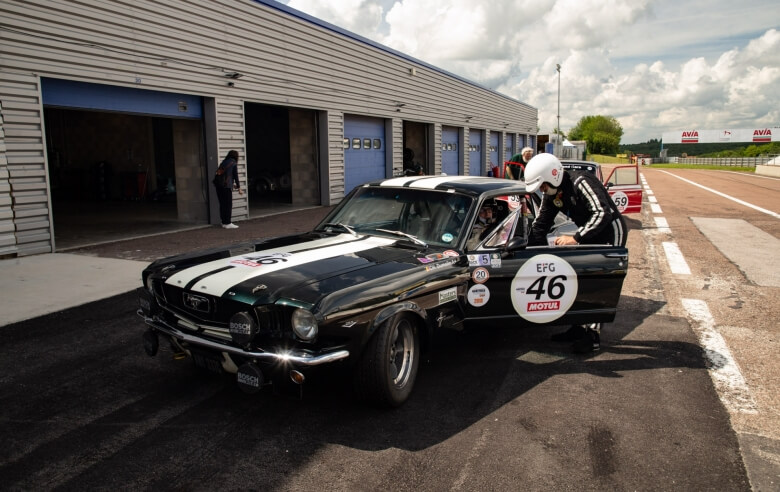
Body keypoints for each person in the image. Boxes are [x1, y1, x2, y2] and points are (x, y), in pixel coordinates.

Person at [523, 153, 627, 353]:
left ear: (552, 176)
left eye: (542, 186)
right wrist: (527, 249)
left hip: (610, 231)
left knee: (599, 283)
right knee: (580, 280)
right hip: (589, 233)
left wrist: (576, 238)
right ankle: (579, 327)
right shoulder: (552, 194)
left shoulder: (581, 181)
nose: (542, 191)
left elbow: (602, 212)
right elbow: (541, 223)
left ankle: (593, 337)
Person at [214, 150, 243, 229]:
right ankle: (228, 223)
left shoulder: (224, 162)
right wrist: (239, 187)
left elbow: (223, 175)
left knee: (222, 204)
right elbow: (235, 176)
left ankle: (223, 222)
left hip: (219, 186)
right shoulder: (233, 163)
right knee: (228, 205)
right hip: (226, 187)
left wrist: (232, 184)